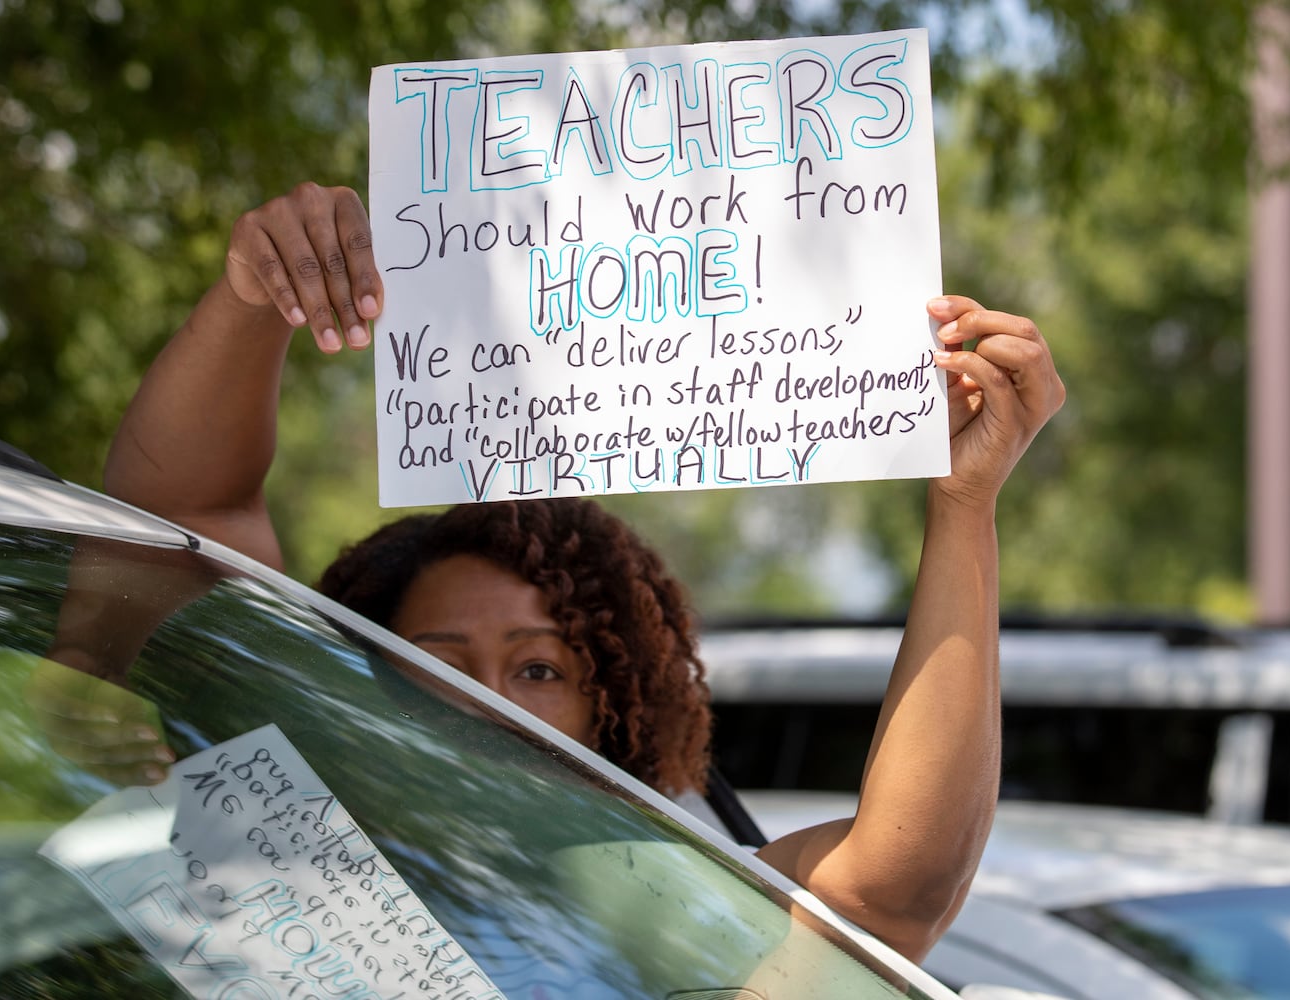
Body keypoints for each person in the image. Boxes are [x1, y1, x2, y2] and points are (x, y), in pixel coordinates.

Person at [104, 181, 1065, 963]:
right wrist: (250, 297)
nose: (487, 702)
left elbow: (893, 891)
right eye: (430, 662)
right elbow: (190, 527)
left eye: (537, 670)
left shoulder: (669, 920)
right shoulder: (271, 836)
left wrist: (963, 506)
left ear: (614, 713)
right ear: (364, 683)